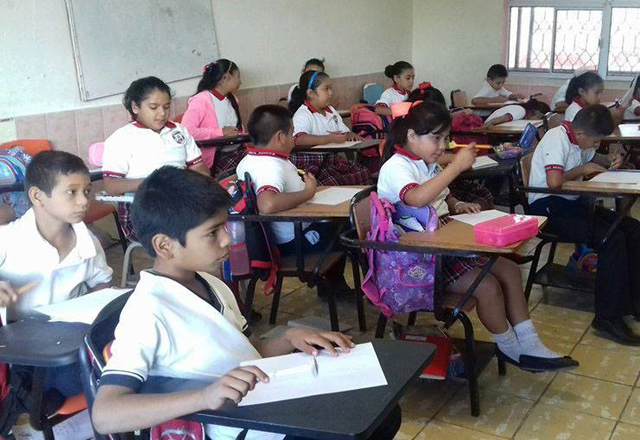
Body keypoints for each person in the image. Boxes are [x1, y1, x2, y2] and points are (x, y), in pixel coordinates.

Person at [91, 166, 402, 439]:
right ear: (165, 246)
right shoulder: (147, 312)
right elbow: (105, 415)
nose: (227, 238)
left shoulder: (211, 283)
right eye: (212, 232)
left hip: (262, 401)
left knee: (383, 414)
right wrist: (204, 397)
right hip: (234, 426)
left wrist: (289, 338)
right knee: (357, 427)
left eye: (224, 226)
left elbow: (247, 352)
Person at [377, 100, 578, 372]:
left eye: (445, 138)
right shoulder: (396, 166)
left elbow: (442, 194)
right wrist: (455, 167)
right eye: (436, 138)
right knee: (487, 286)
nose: (442, 146)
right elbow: (416, 198)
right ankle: (509, 348)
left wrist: (457, 204)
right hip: (418, 261)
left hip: (442, 244)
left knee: (509, 270)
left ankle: (531, 345)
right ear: (412, 136)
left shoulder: (425, 162)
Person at [0, 151, 112, 397]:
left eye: (87, 191)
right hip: (23, 349)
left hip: (71, 341)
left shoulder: (87, 241)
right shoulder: (8, 240)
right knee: (83, 377)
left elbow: (102, 284)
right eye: (72, 192)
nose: (83, 201)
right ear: (37, 196)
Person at [528, 104, 640, 344]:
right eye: (596, 140)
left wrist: (611, 160)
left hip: (570, 203)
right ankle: (608, 317)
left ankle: (633, 301)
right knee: (611, 238)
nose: (597, 145)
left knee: (632, 228)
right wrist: (583, 168)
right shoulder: (556, 138)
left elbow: (595, 159)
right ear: (581, 134)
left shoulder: (579, 141)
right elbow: (554, 181)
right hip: (547, 208)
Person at [236, 105, 354, 299]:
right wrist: (308, 192)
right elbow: (267, 204)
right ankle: (336, 288)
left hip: (284, 236)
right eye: (291, 133)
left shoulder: (250, 160)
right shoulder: (270, 166)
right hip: (294, 242)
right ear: (280, 137)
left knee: (341, 225)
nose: (293, 138)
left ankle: (331, 286)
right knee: (349, 229)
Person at [102, 76, 209, 239]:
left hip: (180, 201)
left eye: (166, 107)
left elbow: (199, 167)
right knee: (193, 233)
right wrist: (156, 182)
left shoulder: (178, 131)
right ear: (135, 107)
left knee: (217, 220)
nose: (162, 113)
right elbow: (111, 185)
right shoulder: (121, 139)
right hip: (141, 211)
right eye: (154, 107)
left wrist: (198, 184)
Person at [289, 70, 371, 186]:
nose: (330, 93)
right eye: (326, 89)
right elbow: (298, 139)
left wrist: (349, 135)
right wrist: (329, 138)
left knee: (362, 172)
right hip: (312, 164)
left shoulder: (330, 110)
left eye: (331, 88)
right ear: (311, 93)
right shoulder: (303, 114)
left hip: (330, 160)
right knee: (333, 183)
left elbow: (343, 131)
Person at [182, 59, 246, 173]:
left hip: (237, 150)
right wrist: (220, 132)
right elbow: (186, 132)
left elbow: (238, 129)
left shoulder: (232, 99)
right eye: (238, 76)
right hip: (217, 159)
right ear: (225, 78)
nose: (240, 81)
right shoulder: (201, 100)